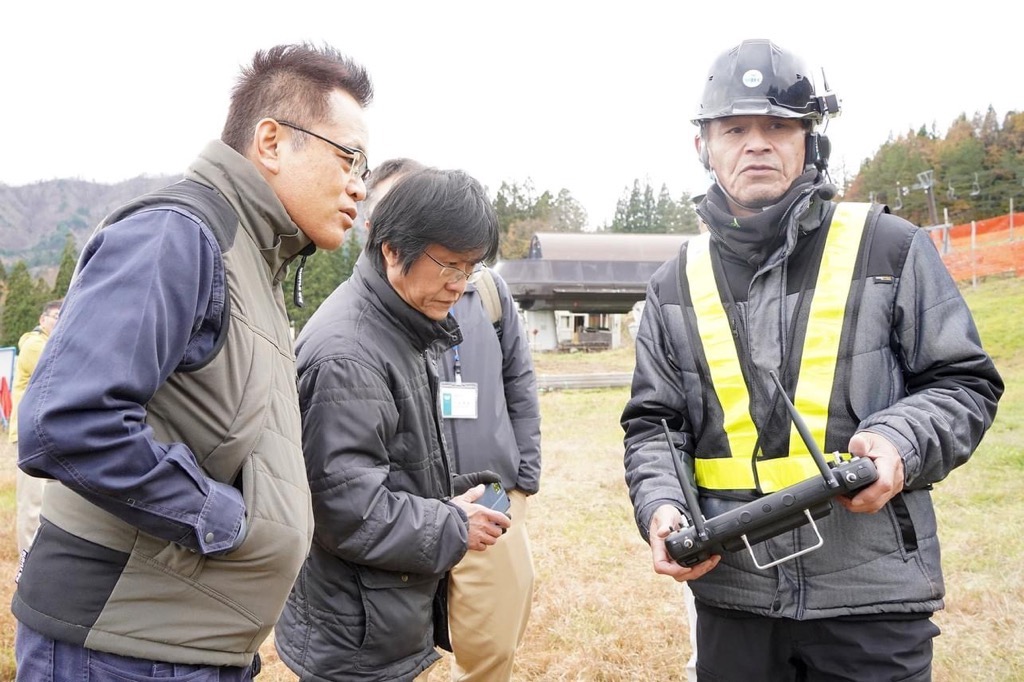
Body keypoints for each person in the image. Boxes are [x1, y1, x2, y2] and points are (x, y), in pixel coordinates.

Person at [622, 38, 1003, 680]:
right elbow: (654, 424)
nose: (757, 143)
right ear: (703, 147)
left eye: (779, 125)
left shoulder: (890, 248)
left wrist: (898, 443)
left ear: (811, 141)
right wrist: (661, 506)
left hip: (872, 599)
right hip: (733, 600)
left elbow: (964, 383)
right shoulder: (672, 285)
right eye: (735, 128)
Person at [12, 43, 373, 680]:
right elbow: (66, 421)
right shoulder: (179, 234)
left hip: (189, 647)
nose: (359, 184)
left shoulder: (256, 264)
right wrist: (222, 520)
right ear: (270, 142)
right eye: (349, 157)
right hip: (120, 652)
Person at [274, 167, 511, 681]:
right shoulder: (351, 355)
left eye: (471, 268)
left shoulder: (397, 323)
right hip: (354, 633)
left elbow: (390, 462)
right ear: (391, 250)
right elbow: (345, 509)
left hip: (372, 615)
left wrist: (456, 492)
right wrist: (452, 524)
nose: (460, 284)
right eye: (449, 264)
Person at [362, 158, 541, 681]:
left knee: (492, 646)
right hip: (409, 514)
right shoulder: (364, 320)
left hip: (490, 498)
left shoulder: (484, 292)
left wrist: (522, 478)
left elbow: (520, 385)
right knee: (396, 655)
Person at [8, 299, 62, 558]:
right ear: (42, 320)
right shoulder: (34, 344)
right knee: (31, 507)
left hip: (48, 435)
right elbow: (61, 368)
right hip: (30, 434)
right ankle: (26, 564)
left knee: (48, 505)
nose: (59, 322)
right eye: (55, 317)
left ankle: (42, 561)